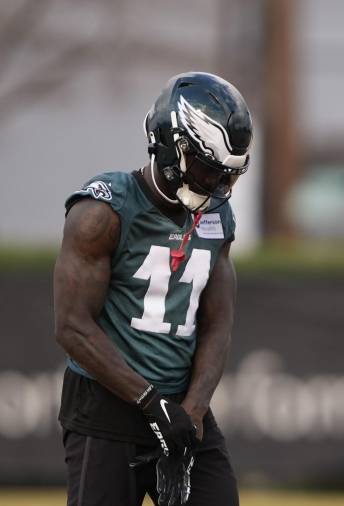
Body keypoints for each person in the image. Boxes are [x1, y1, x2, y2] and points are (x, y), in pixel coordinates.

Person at [53, 71, 251, 506]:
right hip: (105, 410)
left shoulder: (218, 218)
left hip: (179, 410)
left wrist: (193, 411)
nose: (218, 186)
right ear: (169, 145)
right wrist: (149, 402)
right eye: (206, 169)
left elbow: (217, 325)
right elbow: (72, 327)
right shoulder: (102, 212)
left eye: (227, 175)